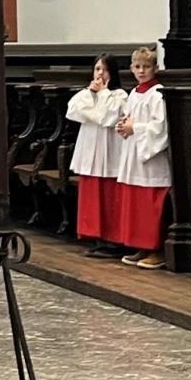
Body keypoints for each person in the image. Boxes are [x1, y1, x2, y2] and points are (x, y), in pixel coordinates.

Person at [107, 47, 171, 268]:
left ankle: (157, 249)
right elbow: (130, 119)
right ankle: (142, 245)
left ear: (156, 68)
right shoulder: (134, 93)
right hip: (134, 155)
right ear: (131, 69)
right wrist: (124, 126)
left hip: (151, 159)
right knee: (136, 204)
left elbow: (160, 127)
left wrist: (135, 128)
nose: (142, 71)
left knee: (151, 206)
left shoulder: (158, 93)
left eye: (146, 67)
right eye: (137, 67)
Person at [66, 56, 126, 258]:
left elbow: (107, 117)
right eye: (97, 69)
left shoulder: (119, 95)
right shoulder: (87, 94)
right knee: (92, 197)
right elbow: (73, 111)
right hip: (91, 151)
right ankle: (97, 237)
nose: (100, 74)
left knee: (110, 197)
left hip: (110, 153)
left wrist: (101, 97)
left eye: (105, 70)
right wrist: (93, 95)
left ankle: (113, 241)